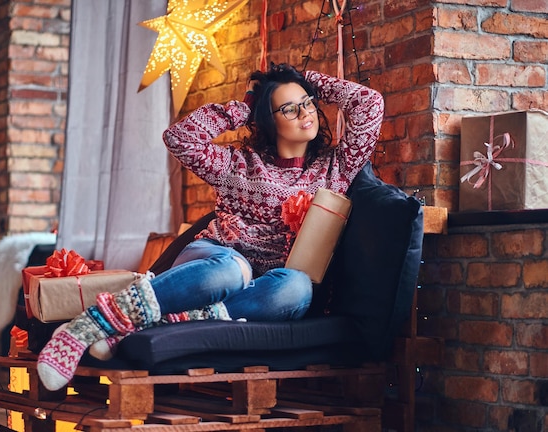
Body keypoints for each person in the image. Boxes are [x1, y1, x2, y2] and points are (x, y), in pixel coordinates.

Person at [36, 62, 384, 391]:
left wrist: (304, 78)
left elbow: (369, 102)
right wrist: (247, 106)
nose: (305, 113)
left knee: (297, 289)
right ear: (268, 120)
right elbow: (179, 138)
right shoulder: (237, 162)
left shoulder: (334, 167)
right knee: (232, 271)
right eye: (289, 109)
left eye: (307, 104)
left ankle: (152, 323)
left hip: (267, 286)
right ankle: (87, 326)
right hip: (216, 260)